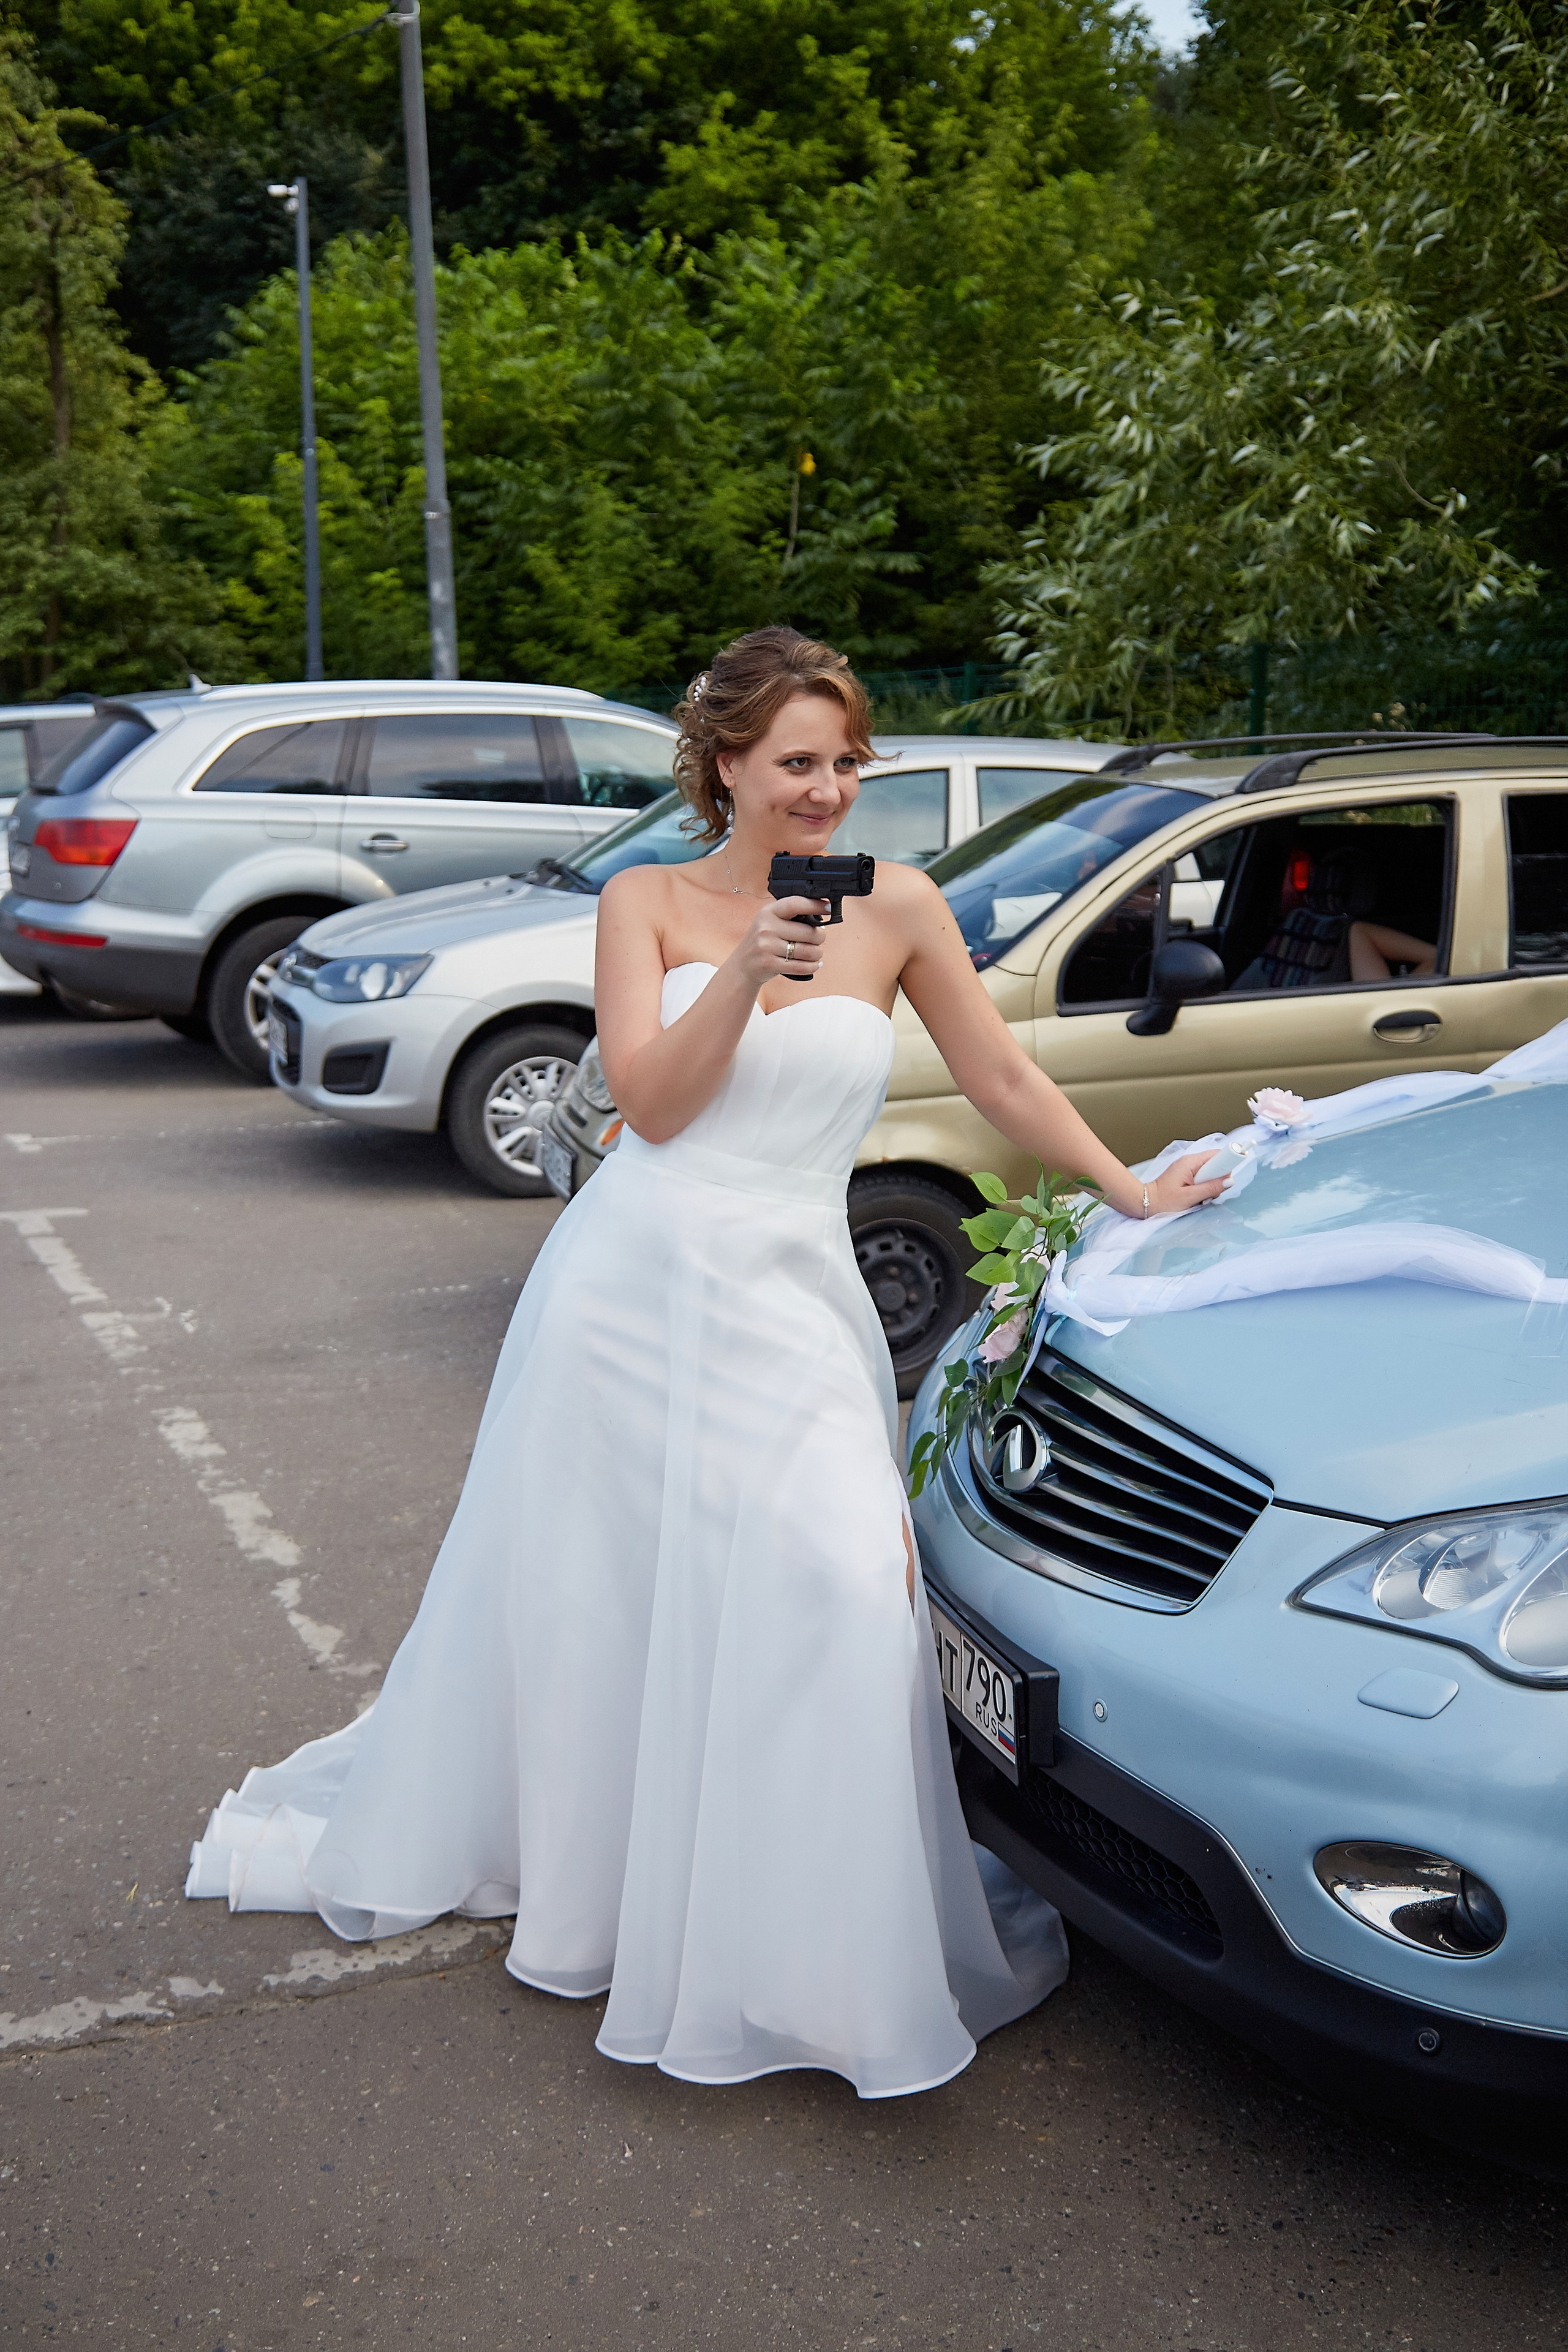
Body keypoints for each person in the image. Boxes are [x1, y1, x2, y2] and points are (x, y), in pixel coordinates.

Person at [186, 628, 1226, 2098]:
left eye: (845, 761)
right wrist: (740, 969)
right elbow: (655, 1110)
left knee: (835, 1579)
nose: (826, 791)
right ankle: (620, 1882)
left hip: (793, 1291)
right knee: (609, 1594)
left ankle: (811, 1938)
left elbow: (997, 1074)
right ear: (725, 764)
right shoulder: (644, 902)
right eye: (796, 762)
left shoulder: (904, 904)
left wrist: (1126, 1192)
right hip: (631, 1287)